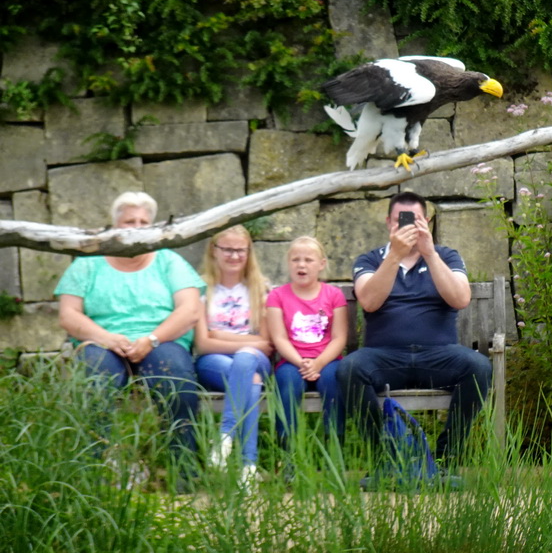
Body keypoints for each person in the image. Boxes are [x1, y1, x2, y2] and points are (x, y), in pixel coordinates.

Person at [56, 191, 204, 487]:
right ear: (115, 227)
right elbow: (69, 315)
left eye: (143, 221)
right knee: (95, 384)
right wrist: (106, 338)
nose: (136, 227)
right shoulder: (88, 263)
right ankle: (94, 476)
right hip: (103, 343)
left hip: (161, 341)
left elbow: (190, 310)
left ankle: (184, 474)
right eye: (129, 222)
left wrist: (152, 339)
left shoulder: (168, 261)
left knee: (178, 382)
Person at [336, 191, 491, 473]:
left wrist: (429, 253)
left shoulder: (446, 256)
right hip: (385, 357)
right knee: (349, 369)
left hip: (438, 355)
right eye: (401, 221)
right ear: (388, 223)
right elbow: (369, 301)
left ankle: (446, 459)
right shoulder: (370, 260)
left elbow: (460, 299)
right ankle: (383, 458)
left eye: (415, 220)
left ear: (428, 222)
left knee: (479, 367)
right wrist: (394, 256)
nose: (408, 227)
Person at [194, 225, 273, 488]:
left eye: (241, 250)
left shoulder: (260, 289)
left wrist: (220, 337)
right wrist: (244, 343)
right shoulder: (200, 289)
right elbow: (203, 344)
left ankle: (226, 434)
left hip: (254, 360)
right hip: (212, 364)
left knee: (247, 359)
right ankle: (248, 466)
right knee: (249, 378)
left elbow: (268, 344)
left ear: (249, 252)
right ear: (213, 250)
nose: (234, 255)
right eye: (227, 249)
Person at [266, 236, 348, 455]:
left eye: (308, 260)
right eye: (295, 260)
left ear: (321, 264)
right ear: (288, 263)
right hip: (292, 361)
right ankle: (287, 455)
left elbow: (339, 338)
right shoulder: (277, 296)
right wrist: (301, 362)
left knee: (334, 382)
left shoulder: (334, 295)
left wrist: (318, 363)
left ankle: (334, 450)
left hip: (327, 360)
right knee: (287, 385)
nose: (301, 265)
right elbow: (279, 338)